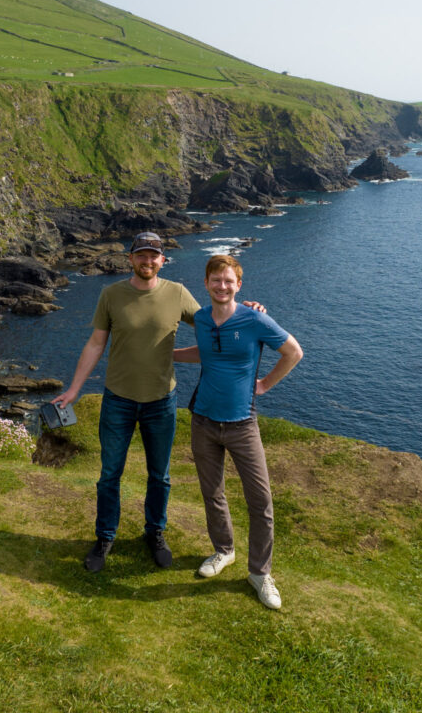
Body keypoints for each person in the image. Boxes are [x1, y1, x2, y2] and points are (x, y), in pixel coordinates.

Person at [52, 232, 262, 573]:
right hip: (118, 400)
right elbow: (95, 343)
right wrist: (75, 389)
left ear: (163, 260)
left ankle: (155, 533)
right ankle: (105, 537)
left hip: (161, 402)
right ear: (131, 259)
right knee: (109, 475)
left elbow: (214, 323)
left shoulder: (177, 293)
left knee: (160, 476)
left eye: (154, 256)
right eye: (141, 255)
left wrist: (245, 310)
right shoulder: (111, 295)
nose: (147, 261)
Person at [175, 254, 302, 609]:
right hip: (202, 419)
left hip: (242, 424)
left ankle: (260, 573)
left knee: (260, 502)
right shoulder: (200, 318)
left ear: (238, 285)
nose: (222, 286)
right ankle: (223, 551)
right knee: (211, 492)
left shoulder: (255, 318)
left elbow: (293, 352)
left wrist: (264, 385)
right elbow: (206, 353)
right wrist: (166, 354)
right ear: (206, 283)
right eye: (216, 280)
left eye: (228, 281)